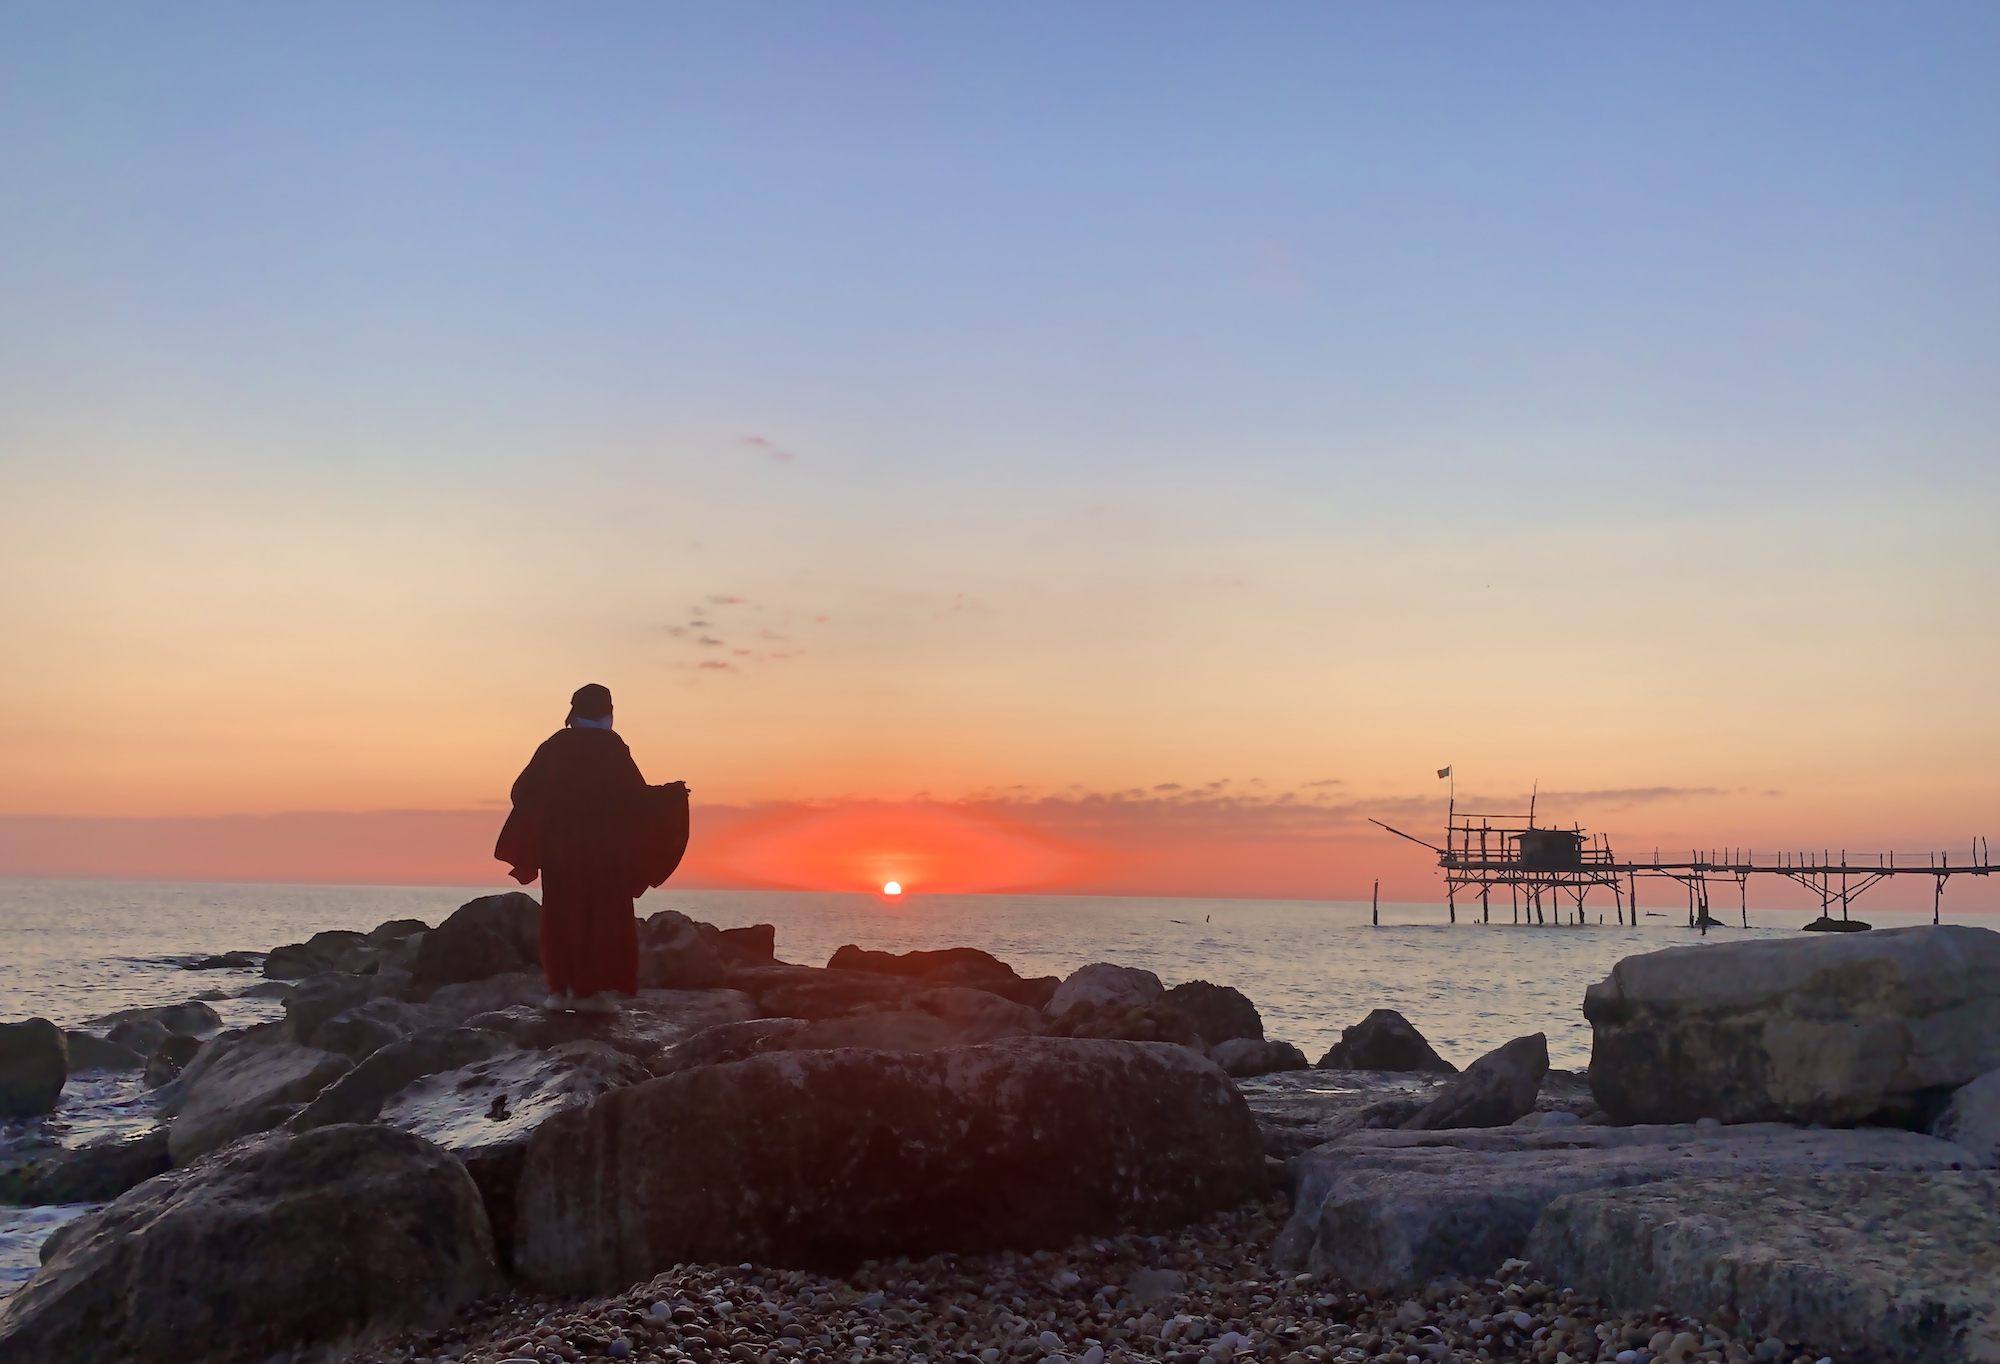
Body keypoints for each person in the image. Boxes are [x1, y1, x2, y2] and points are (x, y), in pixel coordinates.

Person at [494, 683, 663, 1014]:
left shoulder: (554, 746)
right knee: (601, 920)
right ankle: (588, 995)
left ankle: (559, 991)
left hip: (559, 852)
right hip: (602, 851)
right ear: (606, 710)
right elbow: (634, 798)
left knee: (560, 916)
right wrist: (668, 798)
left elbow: (522, 790)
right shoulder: (611, 747)